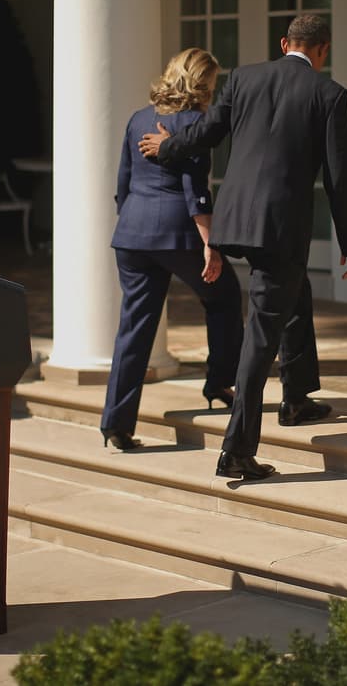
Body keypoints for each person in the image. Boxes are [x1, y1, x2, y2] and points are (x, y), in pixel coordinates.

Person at [138, 14, 347, 480]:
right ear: (323, 51)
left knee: (294, 294)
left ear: (285, 43)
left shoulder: (244, 77)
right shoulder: (330, 94)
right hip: (280, 229)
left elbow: (208, 134)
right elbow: (341, 177)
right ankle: (237, 450)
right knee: (261, 335)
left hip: (236, 219)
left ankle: (297, 399)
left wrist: (168, 146)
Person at [100, 48, 244, 451]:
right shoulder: (196, 123)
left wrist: (131, 222)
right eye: (212, 84)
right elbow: (194, 188)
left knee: (135, 327)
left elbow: (122, 183)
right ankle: (219, 382)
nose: (213, 92)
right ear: (200, 84)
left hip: (131, 234)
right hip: (176, 234)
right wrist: (210, 245)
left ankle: (116, 423)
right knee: (225, 296)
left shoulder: (138, 118)